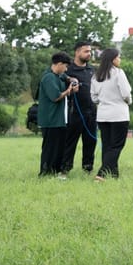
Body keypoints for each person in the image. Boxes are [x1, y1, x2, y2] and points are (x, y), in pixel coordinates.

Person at [90, 47, 133, 181]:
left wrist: (103, 101)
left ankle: (114, 174)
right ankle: (102, 173)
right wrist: (129, 101)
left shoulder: (96, 76)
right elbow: (126, 93)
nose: (119, 59)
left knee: (107, 146)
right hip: (119, 114)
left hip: (103, 115)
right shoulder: (118, 73)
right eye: (118, 57)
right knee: (117, 146)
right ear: (113, 59)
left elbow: (94, 98)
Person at [39, 52, 79, 178]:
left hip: (60, 120)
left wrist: (73, 80)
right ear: (60, 64)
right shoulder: (49, 78)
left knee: (59, 148)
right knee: (50, 148)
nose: (66, 70)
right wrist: (68, 91)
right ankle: (45, 173)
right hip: (51, 120)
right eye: (65, 66)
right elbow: (55, 96)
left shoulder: (58, 75)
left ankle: (55, 172)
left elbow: (67, 78)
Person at [60, 41, 97, 175]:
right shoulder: (68, 70)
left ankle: (88, 168)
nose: (89, 54)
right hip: (74, 112)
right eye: (86, 51)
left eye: (90, 51)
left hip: (91, 112)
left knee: (90, 142)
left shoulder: (92, 70)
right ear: (77, 52)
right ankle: (65, 169)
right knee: (70, 142)